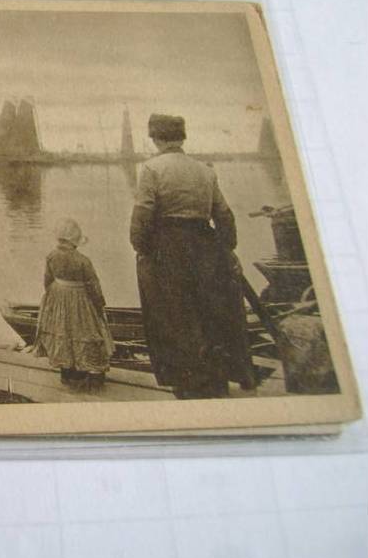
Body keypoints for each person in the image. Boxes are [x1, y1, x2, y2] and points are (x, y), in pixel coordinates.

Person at [130, 114, 256, 399]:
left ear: (156, 138)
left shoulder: (151, 169)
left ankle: (187, 380)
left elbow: (142, 215)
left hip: (168, 248)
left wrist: (142, 248)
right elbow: (223, 214)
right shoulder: (205, 170)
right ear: (182, 138)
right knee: (209, 311)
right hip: (205, 245)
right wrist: (227, 249)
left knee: (172, 313)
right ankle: (216, 376)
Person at [35, 218, 115, 392]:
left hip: (58, 295)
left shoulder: (51, 256)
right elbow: (93, 284)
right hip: (79, 299)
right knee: (86, 331)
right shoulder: (83, 261)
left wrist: (52, 298)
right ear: (75, 241)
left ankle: (68, 372)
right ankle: (91, 374)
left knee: (63, 330)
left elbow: (47, 280)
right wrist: (99, 302)